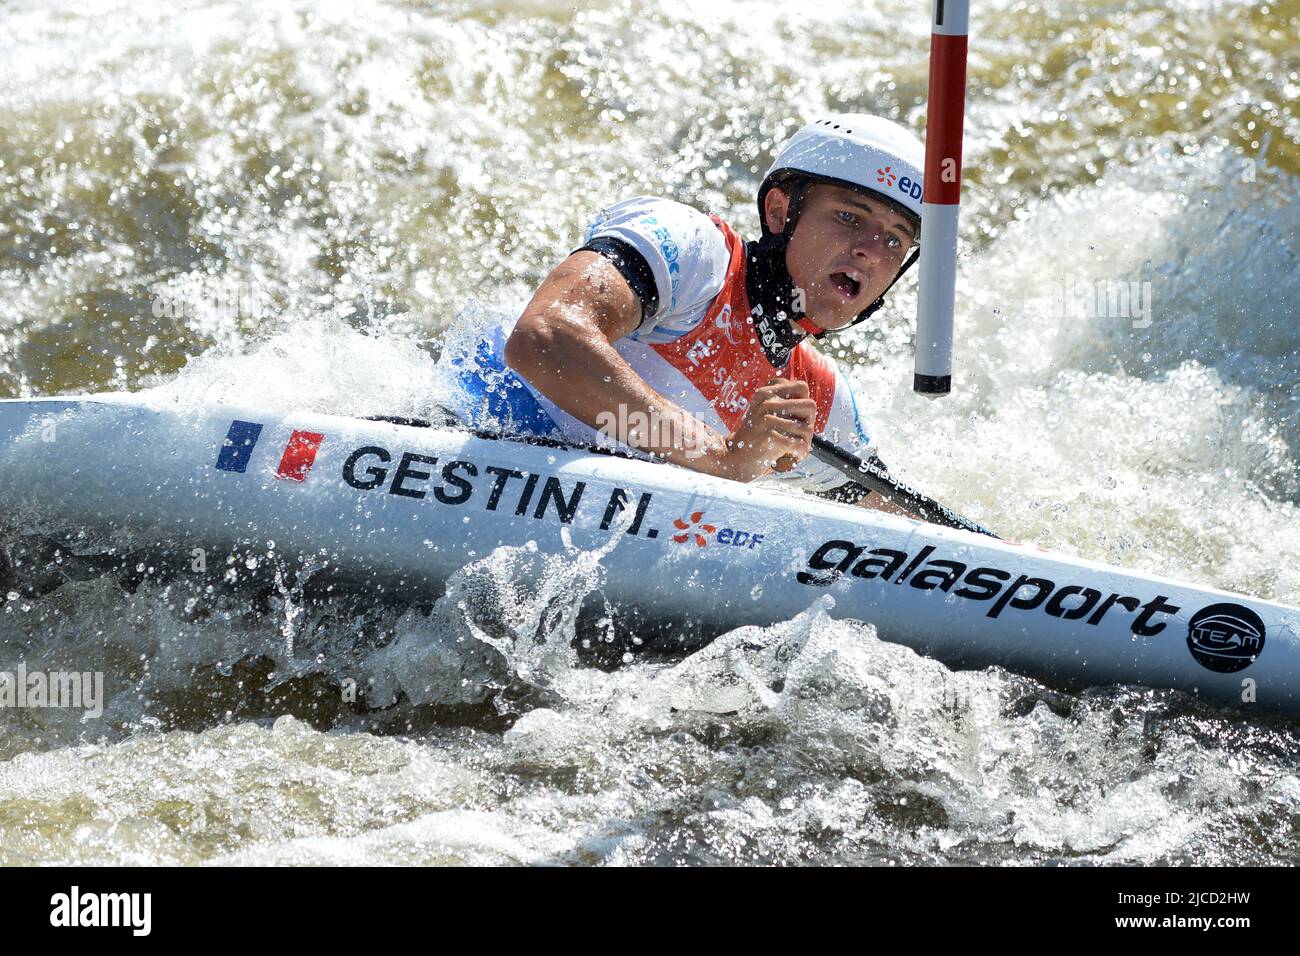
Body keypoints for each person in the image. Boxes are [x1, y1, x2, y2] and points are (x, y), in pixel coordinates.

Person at [447, 113, 924, 513]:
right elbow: (544, 338)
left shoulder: (818, 399)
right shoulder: (694, 255)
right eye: (849, 216)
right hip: (462, 445)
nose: (869, 250)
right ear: (780, 212)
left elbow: (900, 529)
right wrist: (720, 458)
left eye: (894, 239)